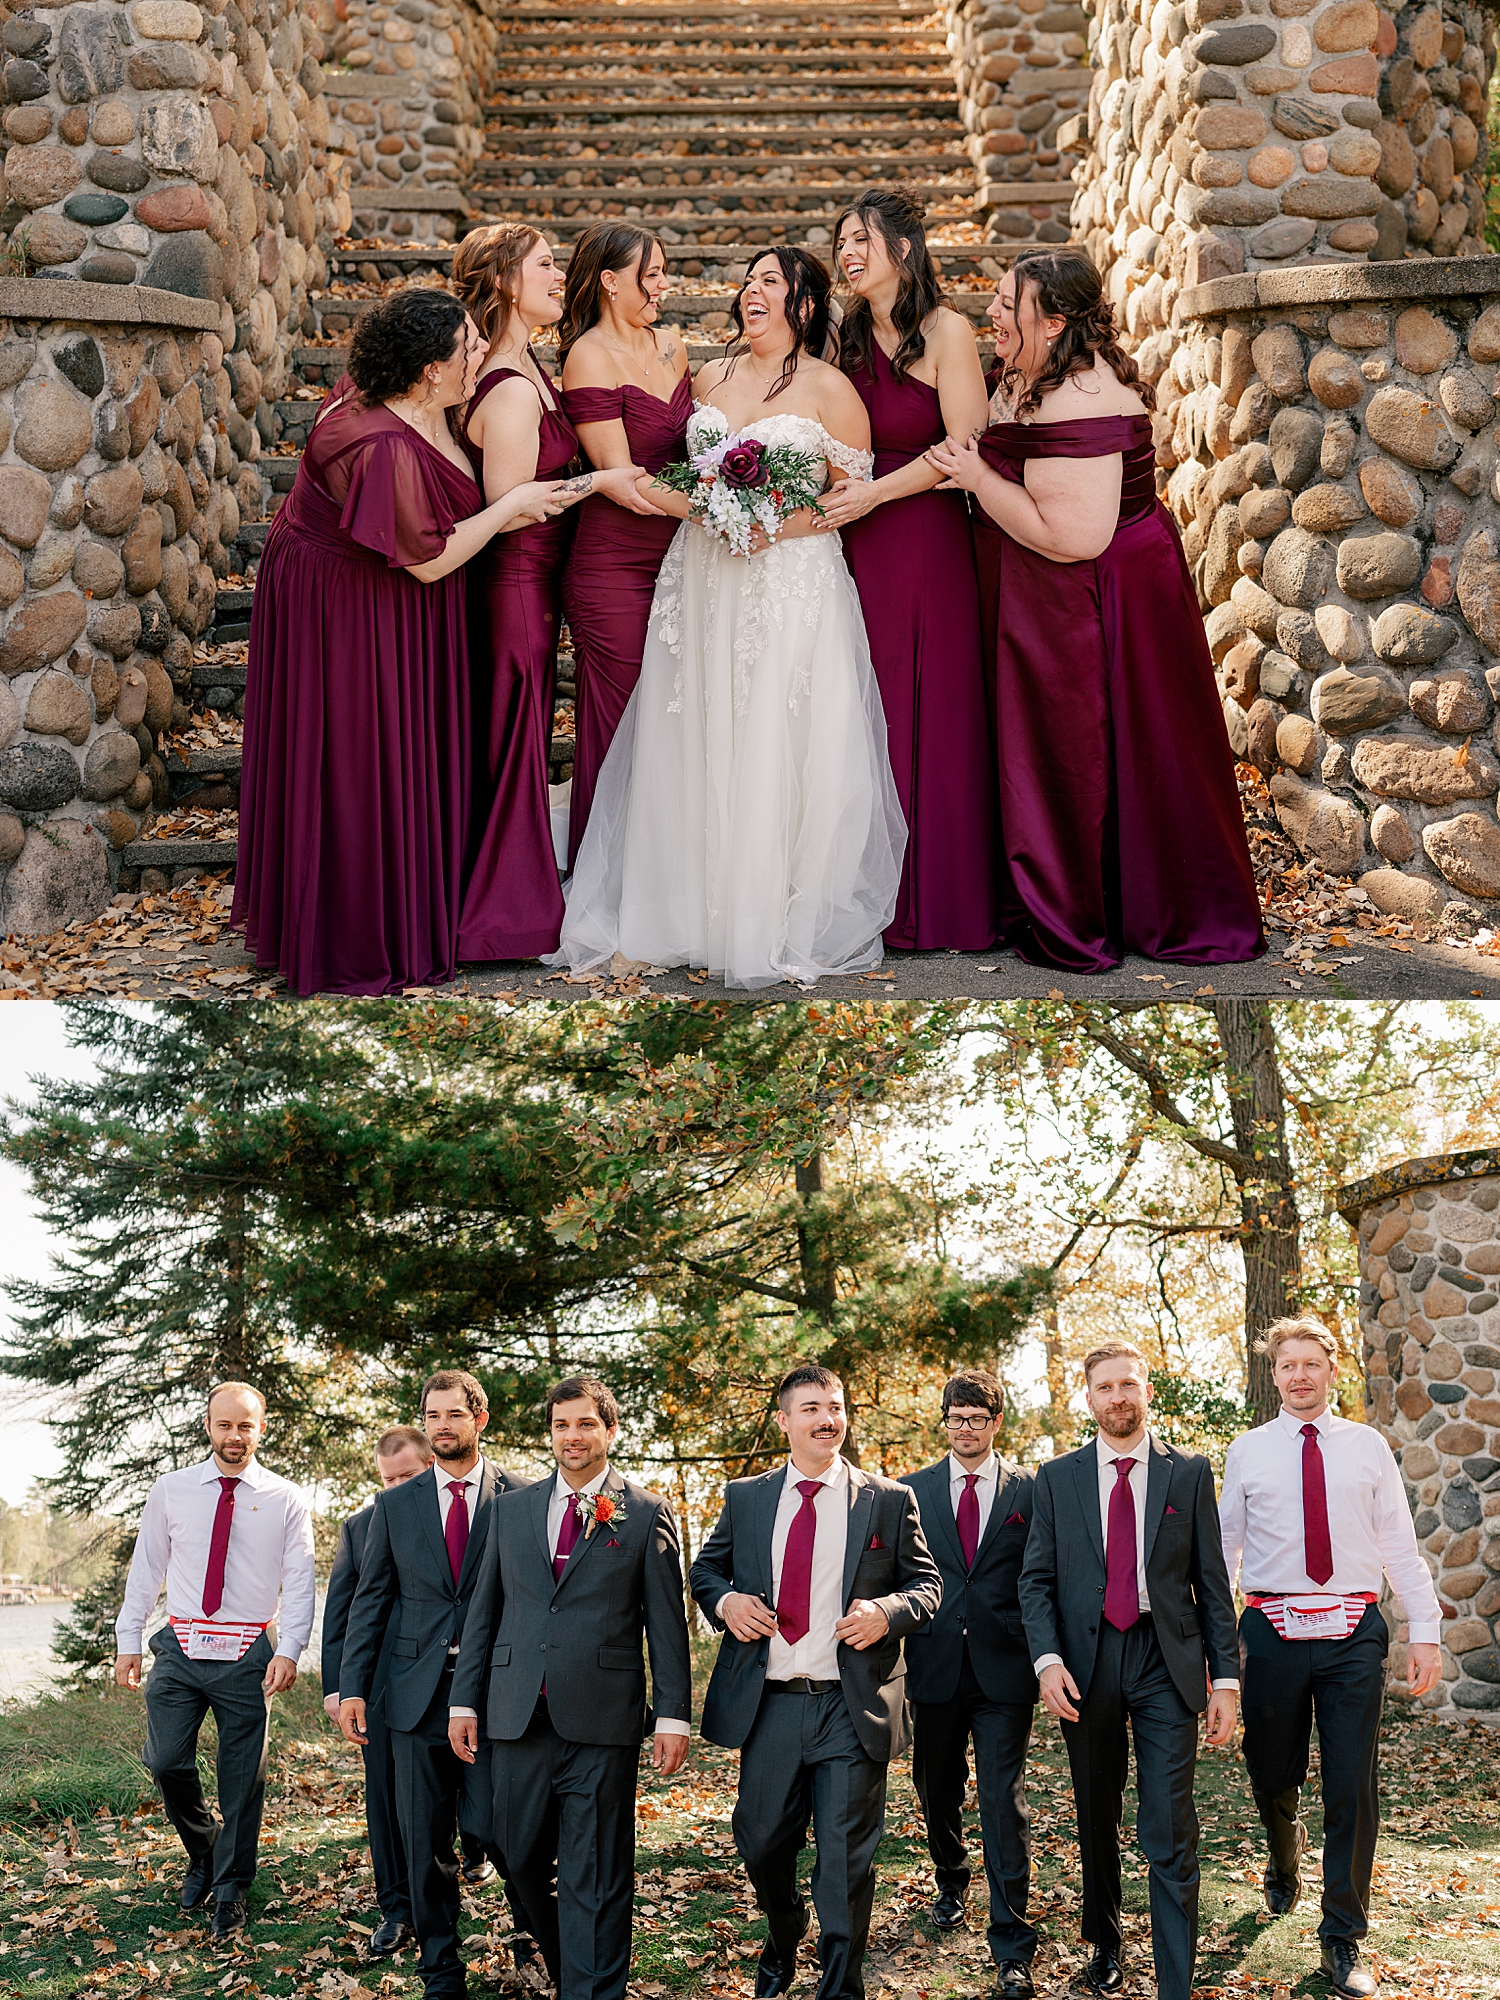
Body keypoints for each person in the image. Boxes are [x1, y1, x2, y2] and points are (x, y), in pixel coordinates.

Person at [550, 246, 907, 990]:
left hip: (788, 580)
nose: (751, 291)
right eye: (748, 281)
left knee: (779, 732)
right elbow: (684, 472)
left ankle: (770, 915)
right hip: (704, 574)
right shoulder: (707, 375)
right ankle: (688, 909)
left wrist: (767, 525)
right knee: (698, 729)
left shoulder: (831, 389)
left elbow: (849, 498)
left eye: (770, 282)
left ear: (804, 304)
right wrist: (716, 511)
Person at [927, 246, 1265, 974]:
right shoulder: (1030, 372)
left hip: (1096, 598)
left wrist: (978, 477)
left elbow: (1072, 536)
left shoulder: (1078, 397)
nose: (991, 311)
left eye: (1006, 303)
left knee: (1088, 750)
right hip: (1043, 591)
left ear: (1052, 322)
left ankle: (1094, 909)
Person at [234, 288, 570, 995]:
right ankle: (357, 926)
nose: (483, 353)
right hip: (348, 602)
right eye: (470, 349)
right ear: (429, 372)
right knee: (358, 750)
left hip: (381, 589)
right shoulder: (383, 444)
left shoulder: (418, 397)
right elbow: (430, 560)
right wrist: (511, 503)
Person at [689, 1365, 942, 2000]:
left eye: (835, 1406)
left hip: (850, 1708)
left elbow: (927, 1586)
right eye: (811, 1408)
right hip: (770, 1704)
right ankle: (782, 1933)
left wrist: (886, 1612)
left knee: (844, 1865)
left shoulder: (887, 1498)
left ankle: (839, 1986)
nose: (827, 1418)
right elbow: (706, 1571)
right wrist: (725, 1605)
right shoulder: (746, 1498)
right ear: (784, 1420)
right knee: (761, 1841)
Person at [450, 225, 660, 964]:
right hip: (514, 585)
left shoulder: (526, 362)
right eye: (542, 265)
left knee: (526, 741)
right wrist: (601, 481)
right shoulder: (507, 388)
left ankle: (518, 899)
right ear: (505, 281)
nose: (555, 276)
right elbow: (512, 504)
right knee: (513, 745)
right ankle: (501, 916)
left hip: (541, 587)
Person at [1219, 1319, 1444, 2000]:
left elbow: (1400, 1545)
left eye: (1311, 1363)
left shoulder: (1367, 1446)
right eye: (1287, 1365)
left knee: (1351, 1783)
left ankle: (1342, 1937)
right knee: (1272, 1775)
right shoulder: (1248, 1451)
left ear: (1330, 1369)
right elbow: (1225, 1550)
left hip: (1354, 1633)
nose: (1299, 1376)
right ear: (1274, 1374)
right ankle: (1283, 1861)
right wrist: (1217, 1648)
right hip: (1271, 1631)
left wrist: (1425, 1628)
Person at [448, 1375, 692, 2000]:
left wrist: (672, 1716)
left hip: (602, 1719)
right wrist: (464, 1699)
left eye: (586, 1424)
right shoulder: (510, 1510)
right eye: (561, 1425)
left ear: (609, 1430)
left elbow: (667, 1625)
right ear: (550, 1433)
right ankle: (567, 1964)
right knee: (515, 1852)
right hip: (516, 1714)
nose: (572, 1436)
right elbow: (484, 1612)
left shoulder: (645, 1512)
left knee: (597, 1872)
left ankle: (592, 1990)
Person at [1017, 1342, 1239, 2000]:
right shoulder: (1055, 1478)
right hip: (1086, 1664)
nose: (1119, 1396)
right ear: (1087, 1398)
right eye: (1106, 1387)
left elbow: (1212, 1582)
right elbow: (1035, 1582)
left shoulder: (1189, 1472)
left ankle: (1175, 1982)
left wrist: (1225, 1678)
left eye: (1129, 1385)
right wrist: (1047, 1661)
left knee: (1168, 1822)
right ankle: (1105, 1940)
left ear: (1147, 1391)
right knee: (1096, 1811)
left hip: (1164, 1659)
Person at [822, 187, 998, 954]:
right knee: (867, 706)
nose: (848, 254)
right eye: (840, 243)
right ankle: (871, 895)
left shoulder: (946, 331)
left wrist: (875, 496)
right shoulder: (846, 335)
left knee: (933, 711)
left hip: (924, 538)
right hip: (852, 541)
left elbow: (966, 449)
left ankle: (944, 901)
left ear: (904, 248)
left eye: (861, 239)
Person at [337, 1372, 533, 2000]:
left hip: (494, 1697)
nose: (442, 1425)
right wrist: (351, 1688)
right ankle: (441, 1972)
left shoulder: (523, 1498)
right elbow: (369, 1602)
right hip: (411, 1697)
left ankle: (532, 1932)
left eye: (454, 1414)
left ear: (481, 1417)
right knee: (424, 1846)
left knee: (503, 1830)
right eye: (432, 1415)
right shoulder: (395, 1505)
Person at [114, 1382, 316, 1940]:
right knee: (166, 1761)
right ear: (208, 1426)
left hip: (249, 1649)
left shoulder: (285, 1498)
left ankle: (230, 1888)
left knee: (242, 1779)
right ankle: (202, 1847)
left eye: (245, 1426)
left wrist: (292, 1649)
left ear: (261, 1428)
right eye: (224, 1425)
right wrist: (128, 1638)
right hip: (179, 1646)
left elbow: (300, 1581)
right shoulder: (172, 1490)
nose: (234, 1436)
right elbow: (147, 1568)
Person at [323, 1426, 489, 1961]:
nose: (396, 1487)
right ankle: (397, 1909)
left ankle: (476, 1855)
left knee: (471, 1790)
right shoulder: (362, 1525)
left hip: (459, 1675)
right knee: (391, 1807)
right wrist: (340, 1687)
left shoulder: (475, 1507)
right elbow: (345, 1614)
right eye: (387, 1479)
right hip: (383, 1688)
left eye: (408, 1477)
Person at [899, 1370, 1038, 1998]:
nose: (965, 1429)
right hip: (932, 1665)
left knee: (1002, 1801)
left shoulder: (1029, 1491)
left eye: (977, 1418)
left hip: (1003, 1667)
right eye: (955, 1419)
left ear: (996, 1422)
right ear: (945, 1422)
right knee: (936, 1787)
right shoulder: (910, 1491)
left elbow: (1040, 1575)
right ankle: (952, 1876)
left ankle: (1011, 1942)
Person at [559, 223, 693, 867]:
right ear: (611, 282)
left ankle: (668, 877)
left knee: (673, 716)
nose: (663, 285)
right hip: (614, 561)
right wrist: (716, 512)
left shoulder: (675, 345)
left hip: (682, 560)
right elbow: (623, 480)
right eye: (652, 274)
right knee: (618, 723)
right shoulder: (587, 354)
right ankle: (605, 881)